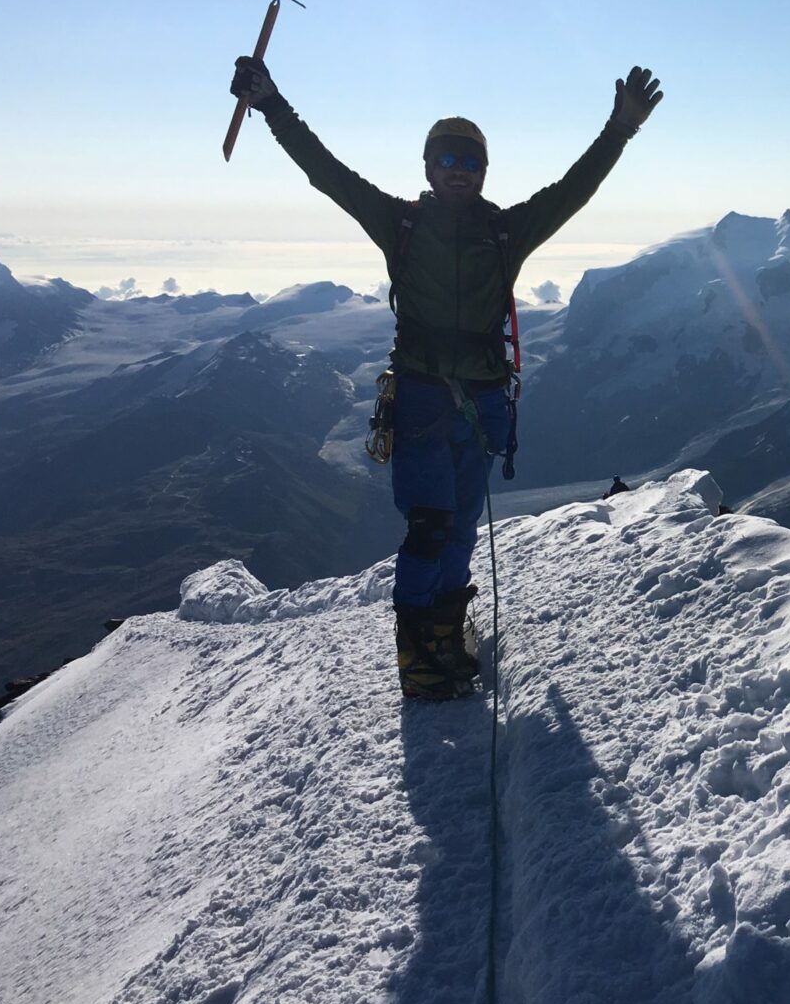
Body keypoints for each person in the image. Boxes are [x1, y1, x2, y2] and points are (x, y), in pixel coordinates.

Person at [229, 54, 662, 699]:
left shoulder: (505, 230)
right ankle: (418, 655)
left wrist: (619, 129)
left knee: (458, 526)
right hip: (430, 401)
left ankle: (445, 635)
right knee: (431, 525)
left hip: (478, 404)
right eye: (447, 160)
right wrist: (271, 105)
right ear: (429, 168)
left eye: (470, 162)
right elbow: (327, 173)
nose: (458, 171)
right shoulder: (400, 222)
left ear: (483, 172)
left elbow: (575, 189)